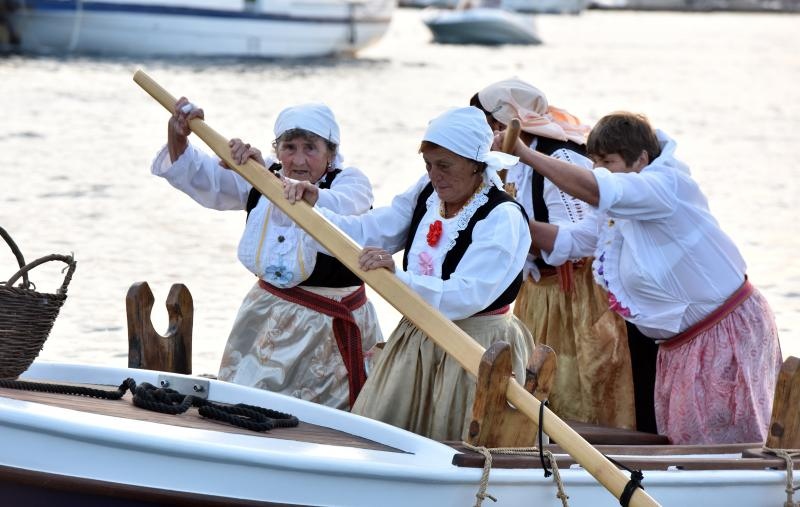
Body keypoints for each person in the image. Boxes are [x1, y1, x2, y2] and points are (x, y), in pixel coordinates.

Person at [499, 111, 783, 445]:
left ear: (642, 159)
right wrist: (504, 216)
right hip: (679, 344)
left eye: (609, 161)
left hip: (722, 332)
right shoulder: (621, 201)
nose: (601, 171)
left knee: (727, 446)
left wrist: (526, 154)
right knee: (683, 441)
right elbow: (573, 240)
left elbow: (595, 188)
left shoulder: (663, 186)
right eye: (595, 162)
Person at [283, 106, 534, 441]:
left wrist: (397, 278)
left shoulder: (502, 217)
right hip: (418, 336)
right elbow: (374, 230)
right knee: (377, 438)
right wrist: (317, 209)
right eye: (429, 165)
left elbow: (467, 296)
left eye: (444, 165)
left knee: (457, 443)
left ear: (476, 164)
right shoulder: (428, 192)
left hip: (476, 347)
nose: (435, 175)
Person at [150, 98, 383, 411]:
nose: (299, 159)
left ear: (330, 152)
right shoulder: (262, 177)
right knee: (246, 409)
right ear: (278, 149)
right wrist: (179, 135)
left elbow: (337, 206)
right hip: (264, 318)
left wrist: (264, 175)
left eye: (310, 148)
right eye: (289, 147)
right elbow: (207, 180)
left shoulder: (350, 183)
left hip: (328, 325)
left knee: (328, 418)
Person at [470, 78, 637, 430]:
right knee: (532, 388)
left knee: (577, 392)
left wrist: (511, 225)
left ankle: (588, 460)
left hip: (575, 296)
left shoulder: (559, 158)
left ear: (505, 123)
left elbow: (584, 239)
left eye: (486, 126)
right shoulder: (508, 162)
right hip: (537, 294)